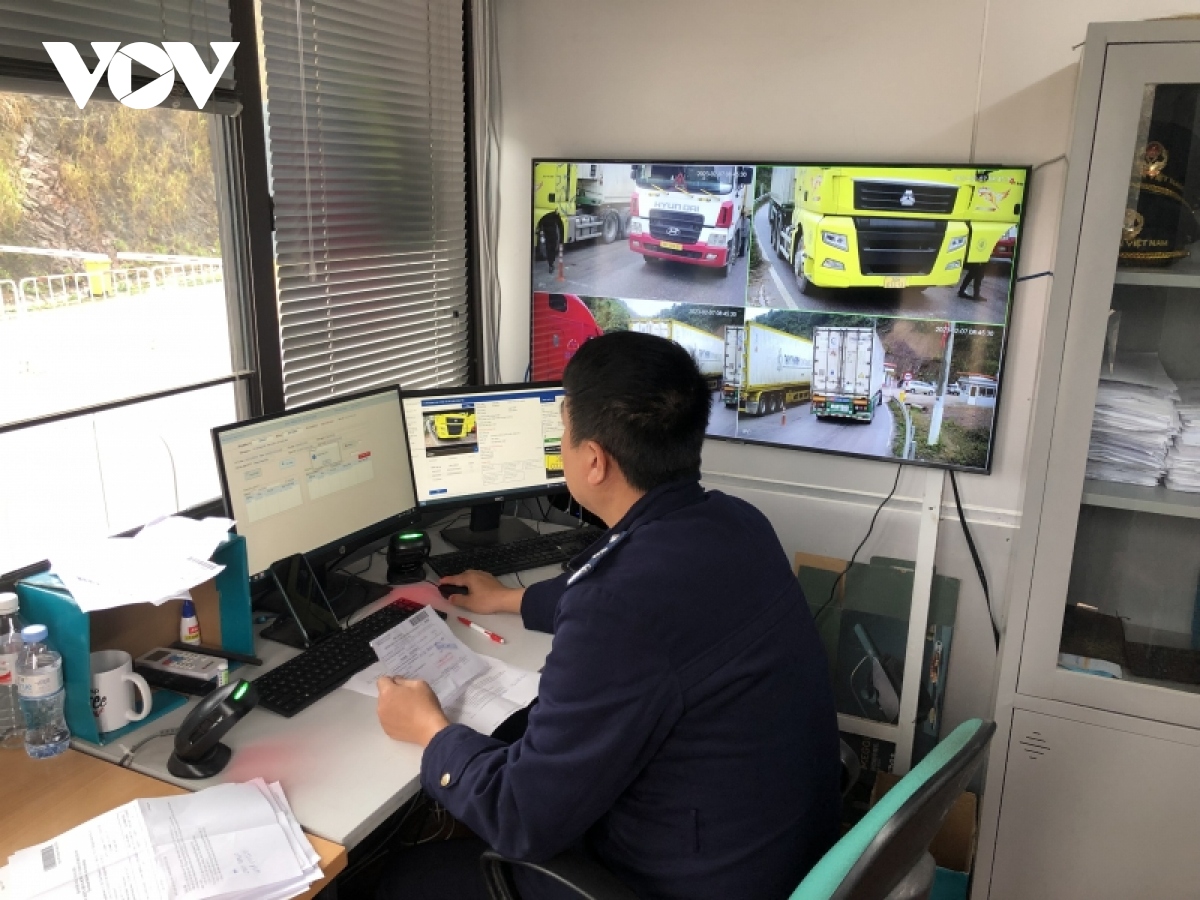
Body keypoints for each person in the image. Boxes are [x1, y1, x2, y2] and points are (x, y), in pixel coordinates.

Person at [375, 331, 841, 900]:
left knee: (397, 880)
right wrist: (507, 599)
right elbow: (648, 600)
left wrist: (430, 731)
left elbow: (520, 818)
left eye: (563, 433)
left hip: (679, 882)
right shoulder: (738, 523)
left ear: (594, 461)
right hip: (769, 849)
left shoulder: (618, 606)